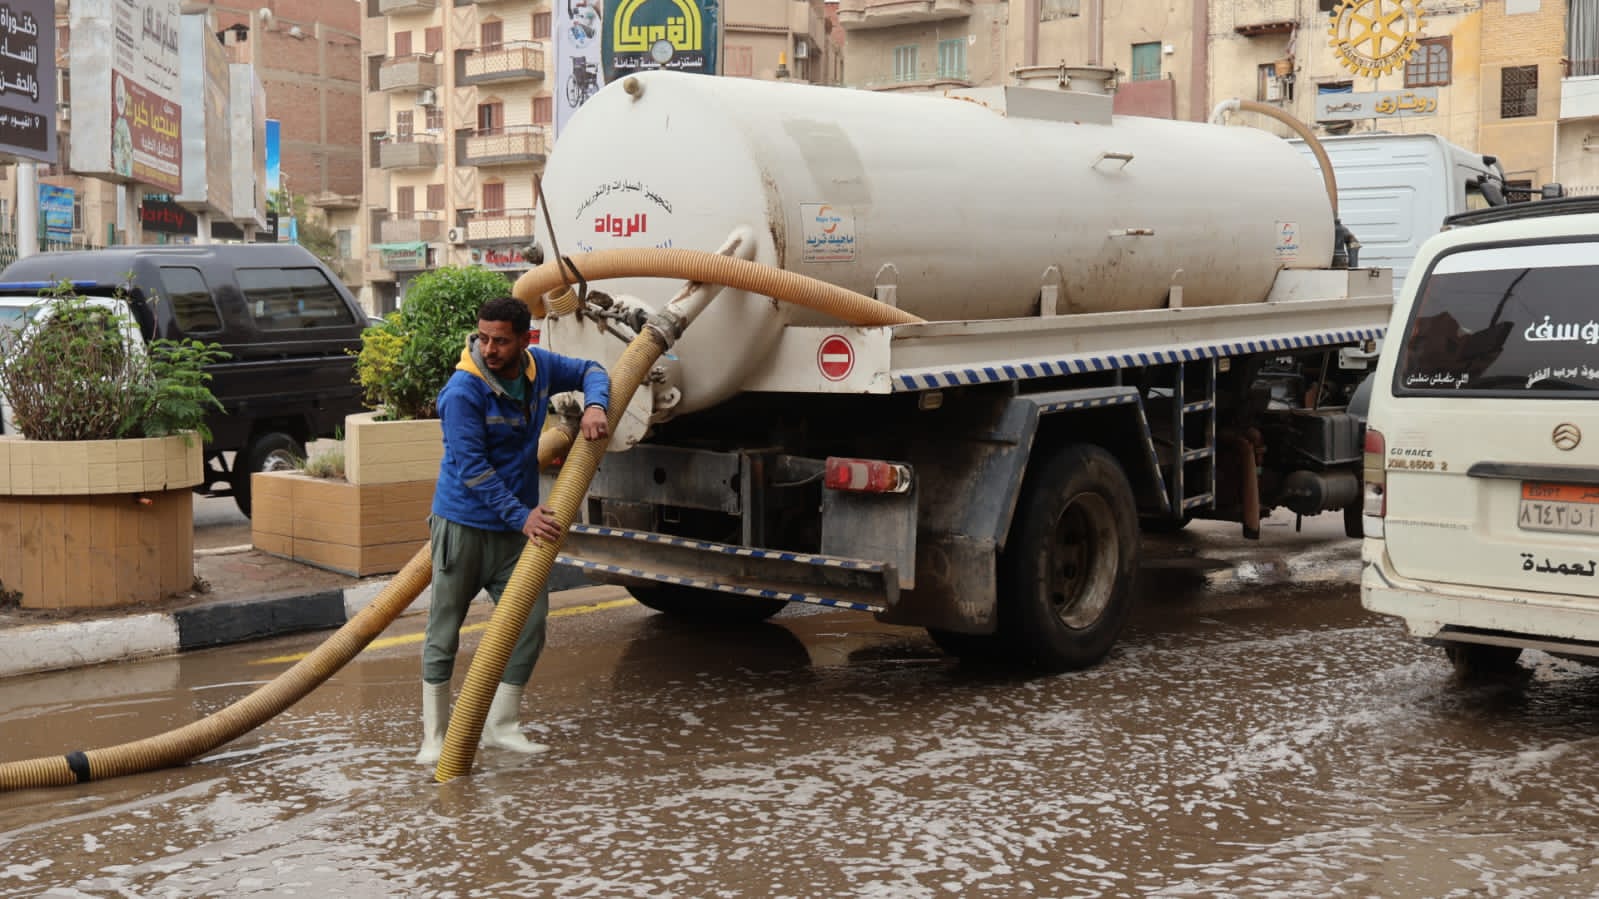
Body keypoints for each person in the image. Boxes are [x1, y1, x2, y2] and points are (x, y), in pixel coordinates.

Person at [416, 296, 610, 765]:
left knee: (530, 622)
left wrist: (595, 405)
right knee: (444, 629)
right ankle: (435, 738)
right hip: (464, 526)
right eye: (483, 338)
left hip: (515, 531)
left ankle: (501, 726)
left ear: (525, 340)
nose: (489, 349)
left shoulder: (538, 368)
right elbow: (473, 470)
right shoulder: (463, 391)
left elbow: (593, 369)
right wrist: (521, 516)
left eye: (500, 341)